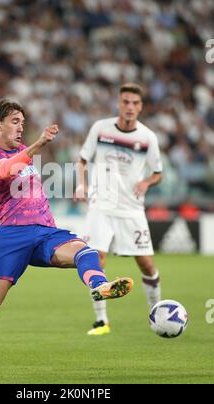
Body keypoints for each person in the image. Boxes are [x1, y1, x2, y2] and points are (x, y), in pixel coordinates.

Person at [0, 99, 133, 373]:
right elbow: (4, 171)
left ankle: (99, 287)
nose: (20, 127)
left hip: (44, 231)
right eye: (15, 122)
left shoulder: (25, 152)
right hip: (10, 236)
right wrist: (38, 144)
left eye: (23, 123)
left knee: (86, 252)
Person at [74, 83, 163, 336]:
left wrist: (146, 182)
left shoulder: (148, 138)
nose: (130, 107)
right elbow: (82, 160)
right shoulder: (100, 129)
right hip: (101, 206)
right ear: (118, 103)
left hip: (131, 210)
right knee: (96, 260)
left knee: (146, 265)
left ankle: (157, 313)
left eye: (135, 103)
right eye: (126, 102)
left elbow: (158, 173)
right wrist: (82, 185)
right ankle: (102, 321)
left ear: (141, 106)